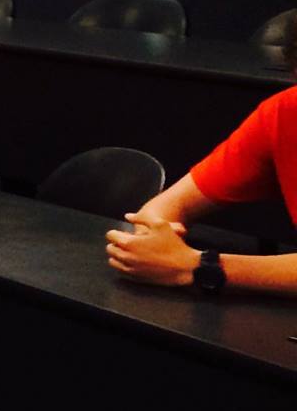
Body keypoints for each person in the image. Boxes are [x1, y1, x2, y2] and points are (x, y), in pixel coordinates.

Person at [105, 61, 297, 295]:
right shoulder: (284, 111)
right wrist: (152, 241)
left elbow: (188, 267)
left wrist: (198, 266)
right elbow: (172, 204)